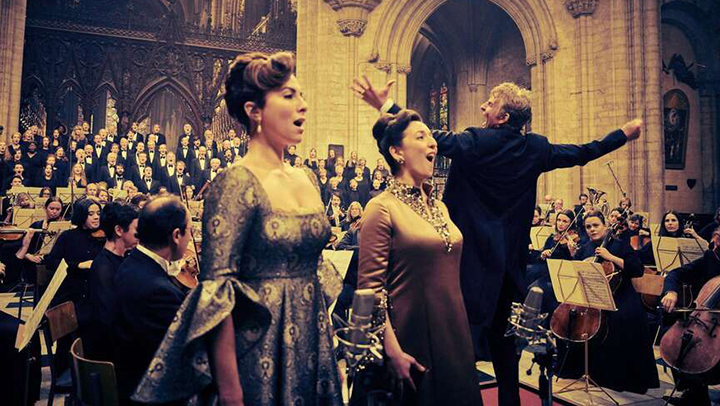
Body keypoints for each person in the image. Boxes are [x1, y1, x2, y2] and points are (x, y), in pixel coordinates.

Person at [353, 76, 642, 405]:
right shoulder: (536, 149)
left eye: (490, 103)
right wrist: (623, 134)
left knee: (454, 340)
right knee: (505, 345)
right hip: (509, 265)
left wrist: (386, 106)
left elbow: (430, 137)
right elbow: (583, 152)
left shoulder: (477, 142)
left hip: (465, 260)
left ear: (503, 117)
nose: (483, 106)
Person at [133, 51, 342, 406]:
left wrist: (330, 348)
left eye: (302, 95)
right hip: (258, 348)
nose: (303, 105)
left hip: (312, 340)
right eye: (289, 96)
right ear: (254, 110)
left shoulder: (307, 177)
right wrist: (231, 393)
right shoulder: (234, 182)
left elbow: (316, 267)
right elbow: (217, 293)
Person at [357, 110, 482, 405]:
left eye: (431, 136)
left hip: (454, 333)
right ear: (397, 152)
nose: (433, 143)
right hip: (409, 339)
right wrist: (392, 352)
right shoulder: (381, 208)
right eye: (421, 136)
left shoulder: (441, 208)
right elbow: (370, 291)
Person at [559, 210, 659, 393]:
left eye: (596, 225)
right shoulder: (585, 248)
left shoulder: (620, 245)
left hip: (620, 293)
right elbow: (575, 272)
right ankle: (579, 368)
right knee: (574, 317)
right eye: (588, 227)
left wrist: (611, 257)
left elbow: (637, 269)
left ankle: (616, 376)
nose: (592, 229)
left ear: (605, 226)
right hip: (592, 296)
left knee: (623, 317)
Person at [113, 196, 189, 404]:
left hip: (130, 374)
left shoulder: (132, 263)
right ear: (176, 236)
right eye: (189, 232)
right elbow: (182, 354)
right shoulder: (158, 291)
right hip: (147, 391)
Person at [660, 226, 720, 406]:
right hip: (705, 318)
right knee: (672, 333)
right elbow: (676, 274)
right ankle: (694, 392)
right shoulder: (710, 258)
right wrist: (671, 292)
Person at [85, 202, 139, 361]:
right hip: (111, 354)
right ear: (119, 230)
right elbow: (108, 321)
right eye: (137, 229)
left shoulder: (123, 257)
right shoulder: (103, 268)